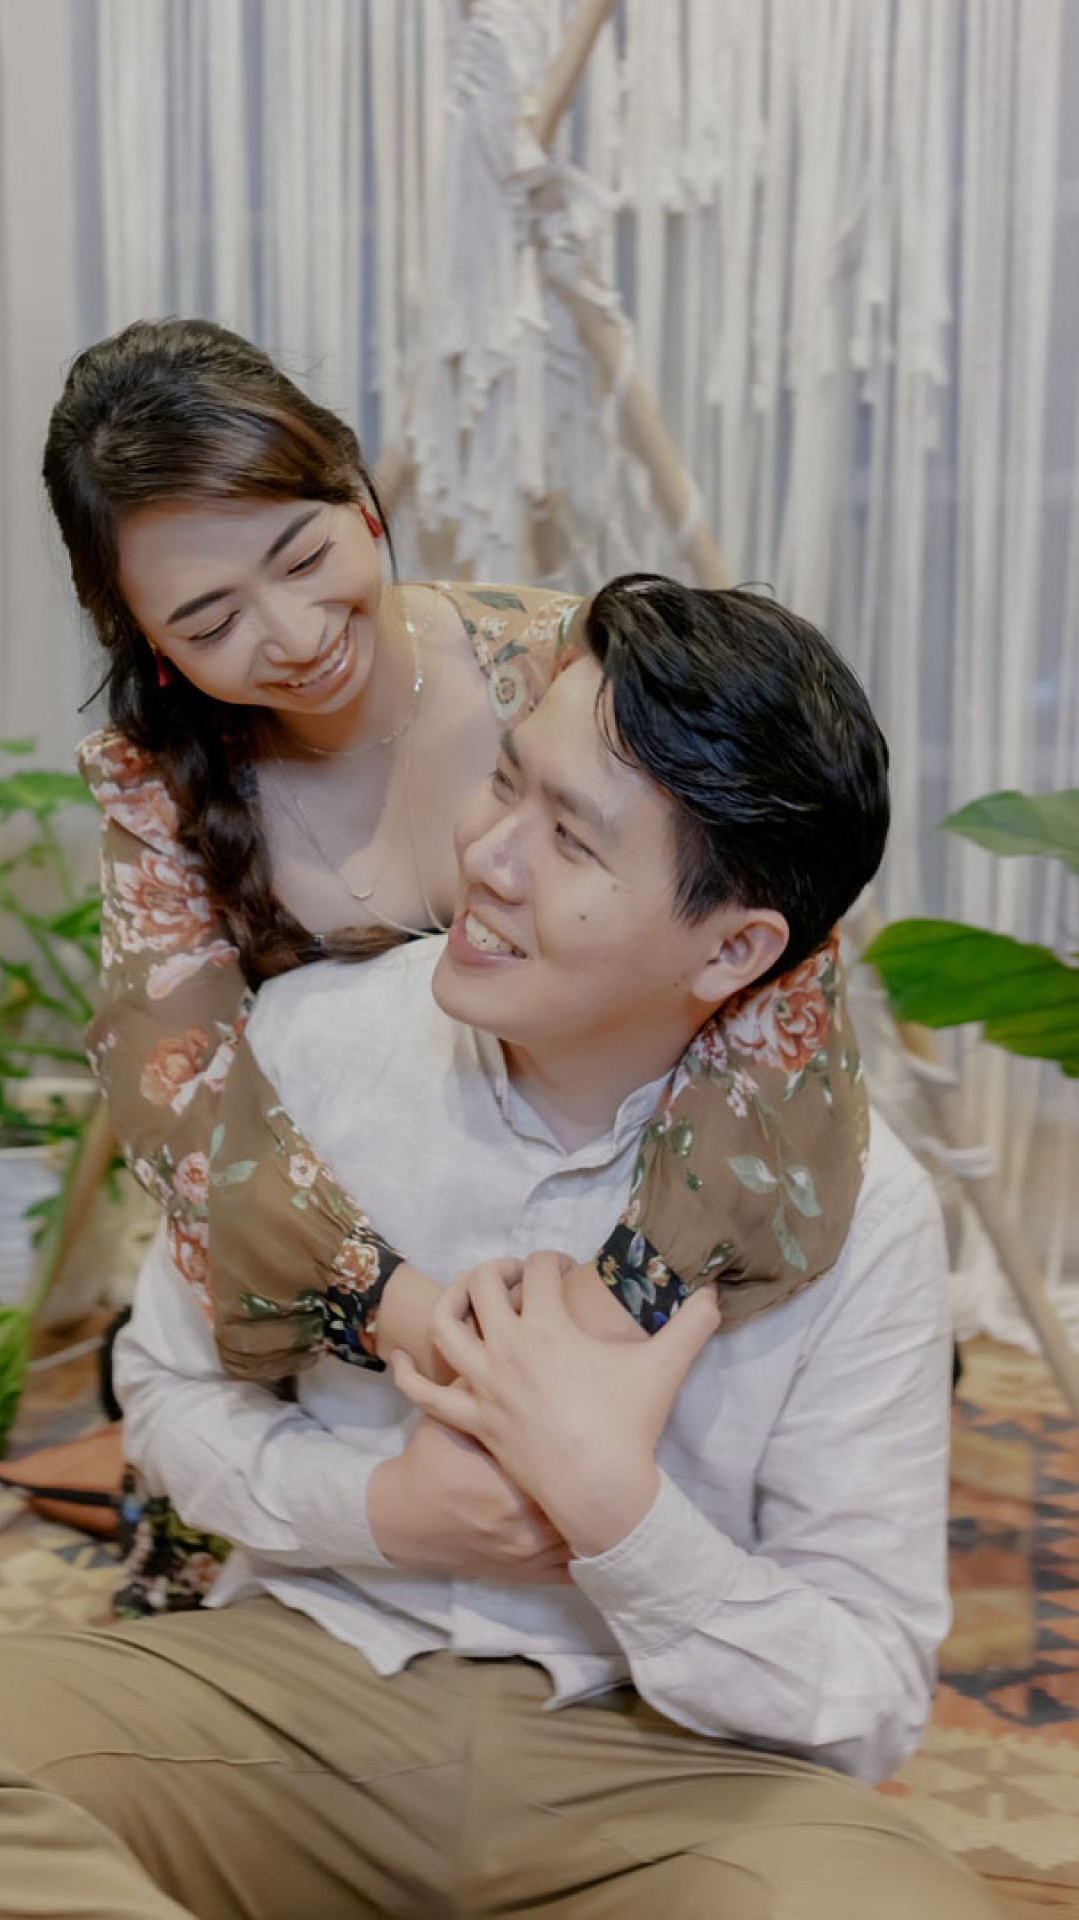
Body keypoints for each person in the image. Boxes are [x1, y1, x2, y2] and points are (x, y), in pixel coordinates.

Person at [0, 577, 1000, 1918]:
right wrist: (385, 1511)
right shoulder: (309, 1044)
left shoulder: (860, 1211)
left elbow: (867, 1695)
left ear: (733, 949)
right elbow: (169, 1398)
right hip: (300, 1699)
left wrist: (616, 1512)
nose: (488, 855)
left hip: (665, 1760)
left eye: (572, 840)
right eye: (506, 781)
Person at [45, 318, 870, 1392]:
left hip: (606, 1218)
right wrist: (425, 1327)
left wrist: (598, 1320)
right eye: (210, 626)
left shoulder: (568, 671)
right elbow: (180, 1097)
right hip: (370, 1276)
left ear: (356, 489)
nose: (295, 636)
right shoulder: (158, 784)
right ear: (147, 641)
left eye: (304, 558)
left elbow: (772, 976)